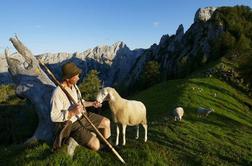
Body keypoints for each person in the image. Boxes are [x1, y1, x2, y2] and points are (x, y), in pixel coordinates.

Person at [50, 62, 111, 151]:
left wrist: (92, 103)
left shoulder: (74, 87)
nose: (78, 78)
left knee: (106, 122)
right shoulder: (57, 93)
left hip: (84, 115)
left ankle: (109, 146)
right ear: (67, 78)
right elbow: (54, 116)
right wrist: (71, 112)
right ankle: (101, 148)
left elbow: (80, 102)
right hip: (73, 124)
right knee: (96, 145)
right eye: (76, 76)